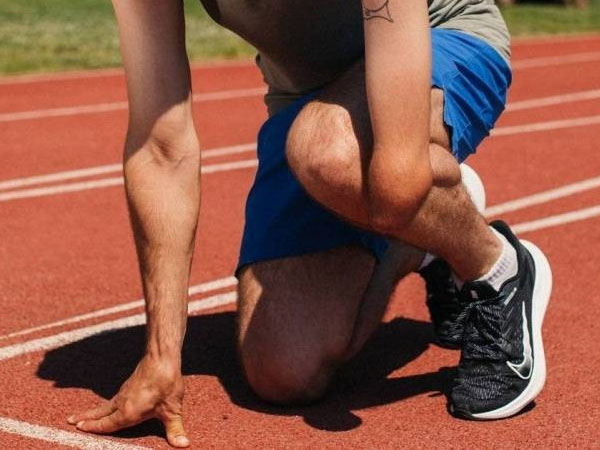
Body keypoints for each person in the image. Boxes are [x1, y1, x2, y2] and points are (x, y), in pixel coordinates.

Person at [67, 0, 553, 447]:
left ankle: (497, 267)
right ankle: (426, 242)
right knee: (283, 372)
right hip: (307, 99)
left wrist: (397, 202)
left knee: (336, 157)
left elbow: (396, 182)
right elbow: (161, 147)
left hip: (440, 37)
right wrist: (161, 356)